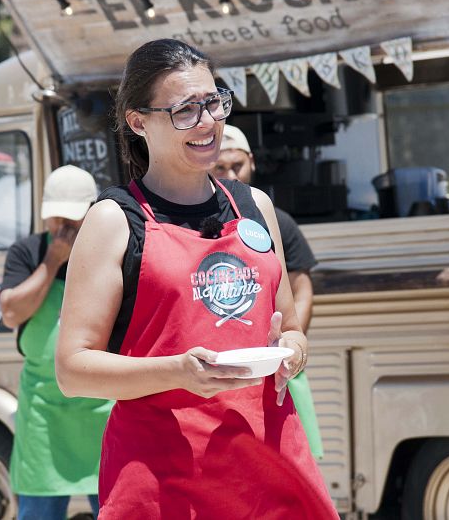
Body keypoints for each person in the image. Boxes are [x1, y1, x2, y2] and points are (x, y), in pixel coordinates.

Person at [56, 39, 338, 519]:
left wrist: (292, 353)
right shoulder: (114, 220)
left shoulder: (256, 206)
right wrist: (177, 372)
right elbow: (72, 369)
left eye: (213, 102)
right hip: (165, 480)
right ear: (138, 121)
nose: (208, 122)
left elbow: (290, 326)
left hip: (269, 464)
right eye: (185, 109)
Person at [0, 165, 112, 520]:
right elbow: (11, 313)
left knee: (116, 507)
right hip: (44, 417)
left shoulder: (112, 252)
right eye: (56, 218)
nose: (62, 227)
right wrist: (52, 262)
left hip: (102, 412)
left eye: (72, 219)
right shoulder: (28, 252)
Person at [213, 124, 324, 460]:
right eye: (221, 168)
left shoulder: (275, 219)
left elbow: (302, 289)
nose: (232, 174)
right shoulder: (204, 221)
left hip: (277, 367)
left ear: (253, 162)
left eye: (238, 165)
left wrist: (290, 344)